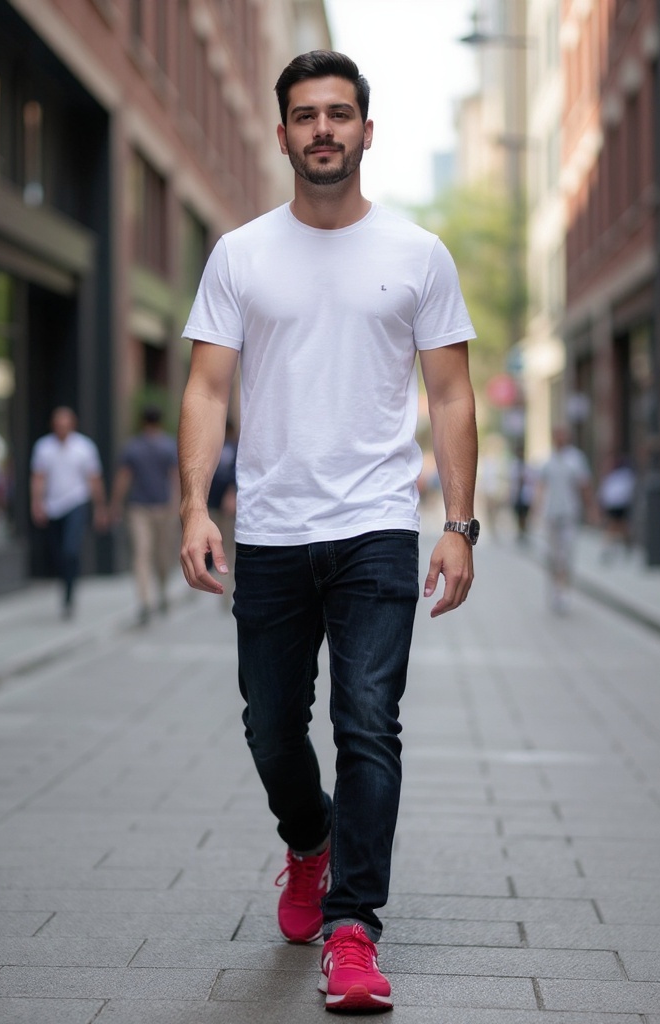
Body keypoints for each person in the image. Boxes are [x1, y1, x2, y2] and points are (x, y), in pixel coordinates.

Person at [177, 50, 478, 1013]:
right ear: (281, 135)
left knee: (368, 725)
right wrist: (195, 507)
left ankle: (354, 930)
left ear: (366, 131)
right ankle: (309, 842)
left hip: (377, 528)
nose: (322, 129)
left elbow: (452, 394)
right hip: (269, 529)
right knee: (270, 727)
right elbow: (207, 387)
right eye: (306, 115)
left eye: (339, 114)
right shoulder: (240, 254)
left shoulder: (418, 254)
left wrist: (459, 524)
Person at [30, 407, 107, 618]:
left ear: (72, 425)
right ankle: (65, 584)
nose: (62, 429)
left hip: (76, 502)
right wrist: (36, 503)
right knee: (58, 554)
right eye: (58, 425)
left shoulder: (84, 447)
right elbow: (38, 477)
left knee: (70, 550)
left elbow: (94, 478)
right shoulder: (44, 447)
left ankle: (69, 595)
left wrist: (100, 507)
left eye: (65, 425)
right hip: (53, 507)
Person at [110, 405, 180, 624]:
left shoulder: (133, 447)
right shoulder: (169, 445)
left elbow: (123, 478)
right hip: (161, 508)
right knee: (158, 554)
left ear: (142, 422)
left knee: (144, 554)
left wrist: (115, 504)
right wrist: (178, 505)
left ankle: (148, 599)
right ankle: (152, 597)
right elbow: (176, 478)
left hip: (140, 508)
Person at [534, 424, 593, 614]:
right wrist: (536, 511)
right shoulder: (547, 461)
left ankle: (564, 590)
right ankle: (555, 589)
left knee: (566, 554)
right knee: (552, 555)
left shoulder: (576, 459)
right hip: (551, 515)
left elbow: (584, 485)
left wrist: (591, 509)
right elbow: (541, 487)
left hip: (569, 515)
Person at [205, 421, 237, 609]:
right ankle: (222, 589)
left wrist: (232, 493)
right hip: (213, 504)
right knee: (220, 549)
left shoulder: (234, 448)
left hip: (227, 506)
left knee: (226, 549)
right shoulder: (212, 447)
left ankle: (226, 591)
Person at [597, 453, 635, 561]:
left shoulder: (623, 475)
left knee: (619, 526)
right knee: (615, 526)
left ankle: (624, 544)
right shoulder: (613, 475)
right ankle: (614, 547)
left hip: (619, 504)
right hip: (614, 504)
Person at [509, 447, 534, 545]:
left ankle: (524, 531)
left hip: (525, 496)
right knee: (518, 515)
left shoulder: (527, 466)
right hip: (517, 495)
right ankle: (520, 531)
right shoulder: (514, 466)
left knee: (525, 515)